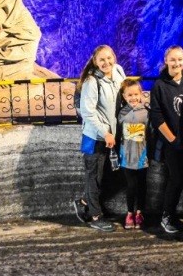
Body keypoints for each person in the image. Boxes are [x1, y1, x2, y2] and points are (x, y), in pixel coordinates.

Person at [74, 45, 126, 232]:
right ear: (95, 62)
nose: (107, 63)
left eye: (109, 58)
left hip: (111, 137)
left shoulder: (118, 71)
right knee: (94, 176)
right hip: (95, 137)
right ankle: (95, 216)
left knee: (104, 177)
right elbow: (88, 112)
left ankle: (83, 202)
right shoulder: (91, 81)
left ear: (114, 57)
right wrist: (105, 132)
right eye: (102, 60)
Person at [149, 45, 183, 234]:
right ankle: (167, 215)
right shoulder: (159, 85)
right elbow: (157, 116)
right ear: (166, 61)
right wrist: (173, 140)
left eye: (180, 59)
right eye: (173, 59)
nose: (177, 63)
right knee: (175, 179)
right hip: (173, 143)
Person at [117, 79, 149, 230]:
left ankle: (140, 212)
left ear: (141, 94)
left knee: (142, 185)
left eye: (136, 94)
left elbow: (151, 133)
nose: (133, 98)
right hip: (126, 157)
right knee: (131, 186)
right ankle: (129, 213)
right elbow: (118, 134)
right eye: (130, 95)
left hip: (143, 156)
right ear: (124, 96)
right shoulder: (121, 114)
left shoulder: (146, 113)